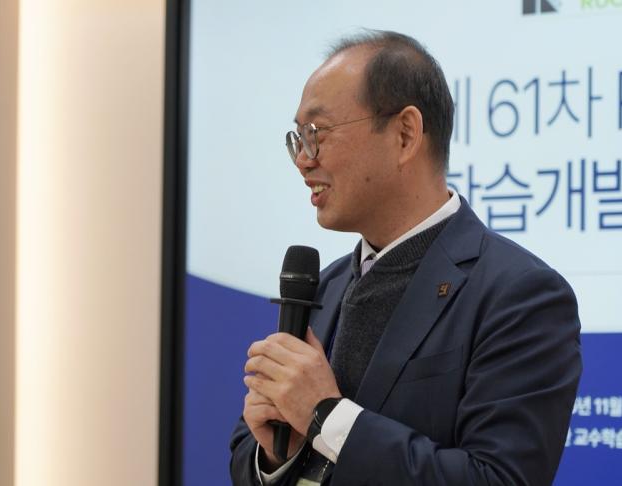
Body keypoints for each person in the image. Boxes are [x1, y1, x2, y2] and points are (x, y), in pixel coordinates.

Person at [230, 30, 582, 486]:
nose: (303, 160)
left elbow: (499, 478)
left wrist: (325, 416)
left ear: (405, 134)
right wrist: (277, 455)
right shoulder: (322, 287)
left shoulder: (520, 294)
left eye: (316, 133)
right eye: (298, 138)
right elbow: (248, 453)